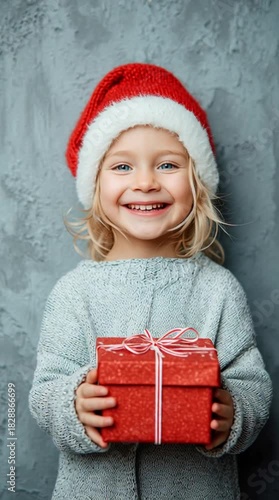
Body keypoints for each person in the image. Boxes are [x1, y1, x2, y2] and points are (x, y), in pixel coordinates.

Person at [29, 62, 272, 500]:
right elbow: (44, 390)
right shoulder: (74, 294)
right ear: (95, 185)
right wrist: (74, 406)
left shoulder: (218, 291)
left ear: (197, 182)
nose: (145, 182)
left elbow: (252, 384)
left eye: (167, 164)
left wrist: (233, 414)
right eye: (122, 167)